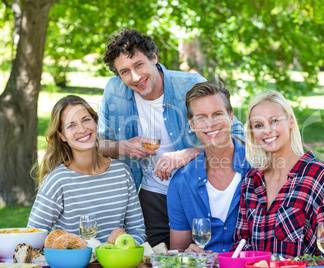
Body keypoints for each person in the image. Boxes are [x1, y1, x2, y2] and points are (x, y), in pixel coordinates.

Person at [98, 28, 245, 247]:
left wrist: (191, 153)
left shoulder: (190, 84)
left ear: (154, 58)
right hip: (151, 194)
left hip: (197, 191)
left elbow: (238, 136)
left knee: (202, 254)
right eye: (125, 71)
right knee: (156, 259)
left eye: (139, 65)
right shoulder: (114, 90)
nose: (135, 77)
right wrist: (123, 147)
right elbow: (100, 144)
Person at [232, 91, 324, 268]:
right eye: (258, 125)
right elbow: (242, 243)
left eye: (274, 121)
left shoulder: (317, 177)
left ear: (291, 121)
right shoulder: (251, 182)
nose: (267, 130)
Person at [27, 95, 146, 245]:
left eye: (86, 120)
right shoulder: (58, 181)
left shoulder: (122, 172)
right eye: (71, 125)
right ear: (62, 135)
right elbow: (33, 236)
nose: (82, 129)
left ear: (96, 122)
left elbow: (138, 231)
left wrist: (121, 246)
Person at [167, 81, 251, 253]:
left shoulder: (258, 167)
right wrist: (186, 256)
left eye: (217, 114)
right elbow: (178, 252)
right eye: (201, 117)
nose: (210, 123)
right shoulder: (181, 183)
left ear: (231, 116)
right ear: (191, 124)